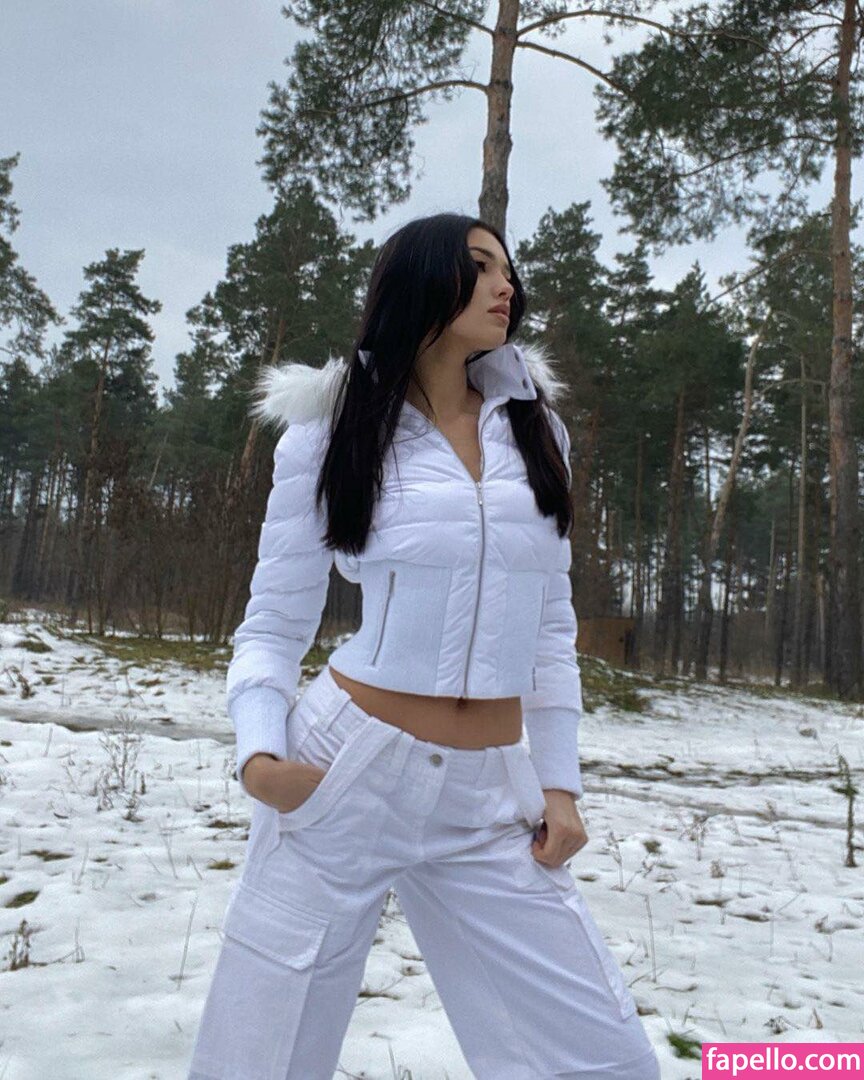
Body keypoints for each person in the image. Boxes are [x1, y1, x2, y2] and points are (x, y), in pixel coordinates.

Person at [187, 213, 660, 1080]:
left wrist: (559, 784)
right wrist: (260, 758)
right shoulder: (330, 431)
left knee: (604, 1059)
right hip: (345, 771)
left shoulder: (535, 431)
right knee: (264, 1056)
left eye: (509, 271)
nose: (505, 285)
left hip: (490, 796)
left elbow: (550, 628)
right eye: (480, 265)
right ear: (419, 279)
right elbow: (274, 624)